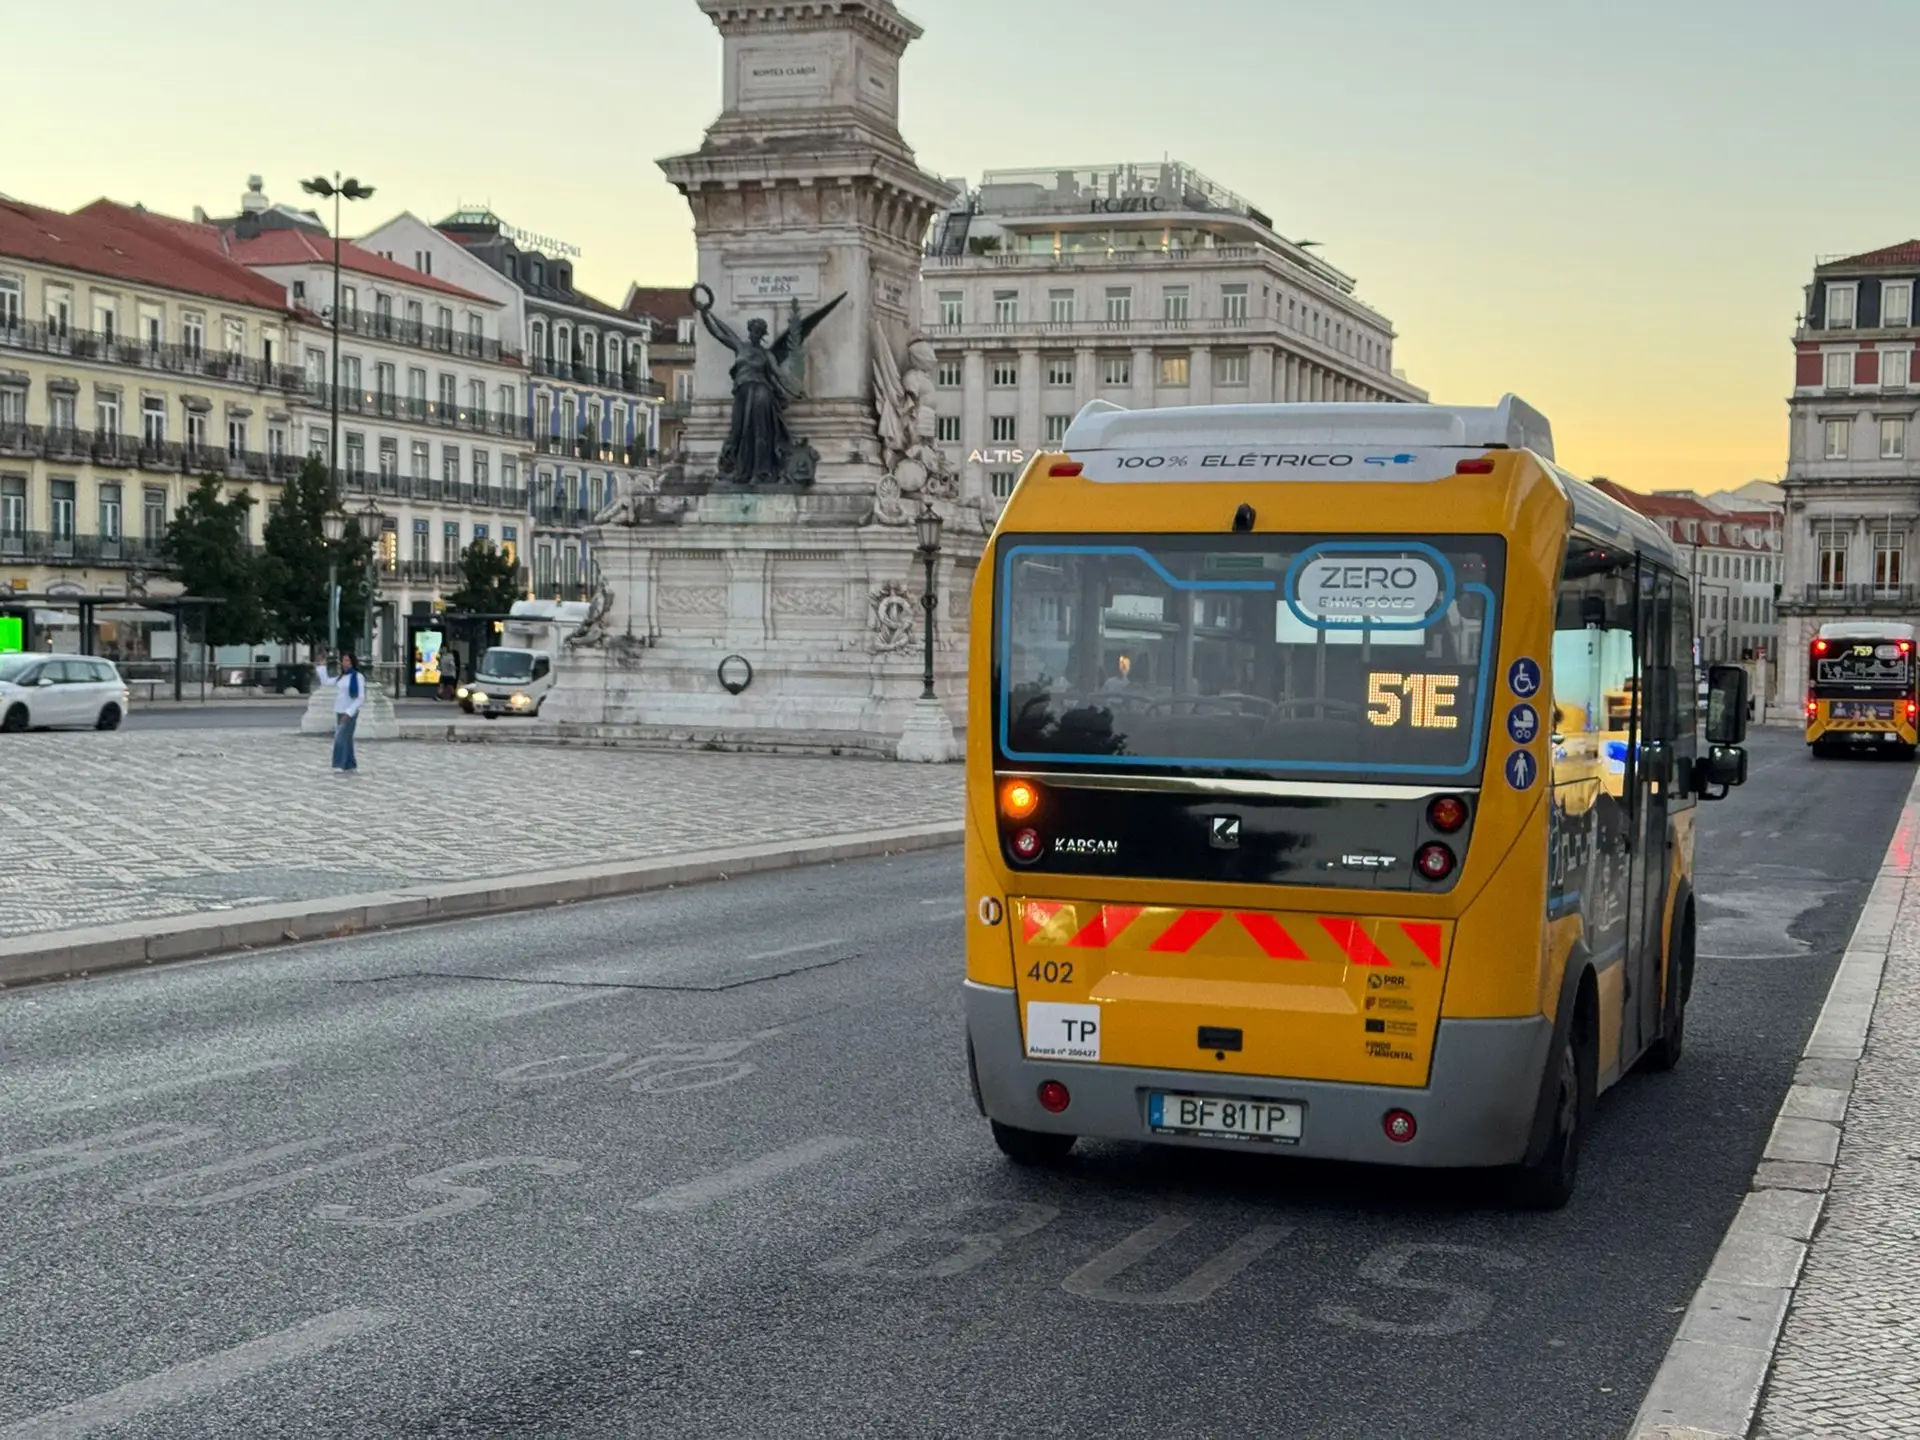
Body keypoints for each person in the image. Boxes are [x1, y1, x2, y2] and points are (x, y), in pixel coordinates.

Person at [314, 651, 365, 772]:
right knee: (347, 739)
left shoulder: (358, 677)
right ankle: (350, 764)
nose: (345, 663)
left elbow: (360, 697)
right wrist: (322, 666)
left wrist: (349, 712)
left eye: (347, 660)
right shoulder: (341, 677)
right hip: (339, 710)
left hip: (350, 712)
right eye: (343, 660)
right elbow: (326, 682)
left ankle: (338, 764)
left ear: (352, 662)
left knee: (340, 737)